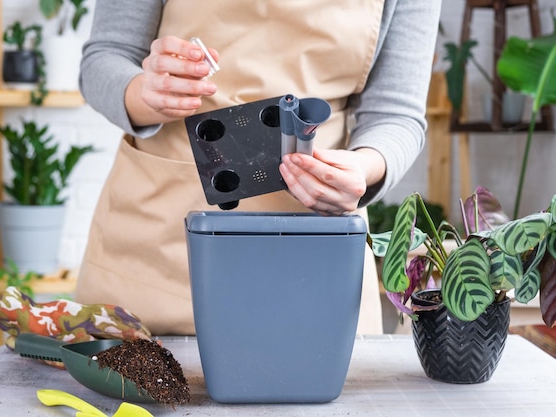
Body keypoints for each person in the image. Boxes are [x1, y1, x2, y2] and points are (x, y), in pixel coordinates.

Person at [75, 0, 442, 336]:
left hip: (311, 252)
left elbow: (396, 115)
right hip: (158, 245)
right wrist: (145, 93)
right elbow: (106, 58)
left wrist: (361, 167)